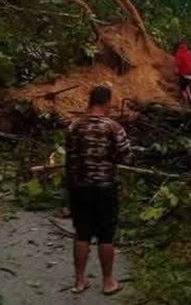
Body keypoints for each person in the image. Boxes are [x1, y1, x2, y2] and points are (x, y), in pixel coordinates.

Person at [65, 85, 133, 296]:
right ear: (106, 102)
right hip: (105, 188)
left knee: (82, 233)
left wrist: (68, 189)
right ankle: (108, 282)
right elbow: (126, 156)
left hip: (80, 187)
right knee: (106, 235)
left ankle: (79, 281)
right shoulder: (113, 127)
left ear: (90, 101)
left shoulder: (74, 126)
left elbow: (69, 159)